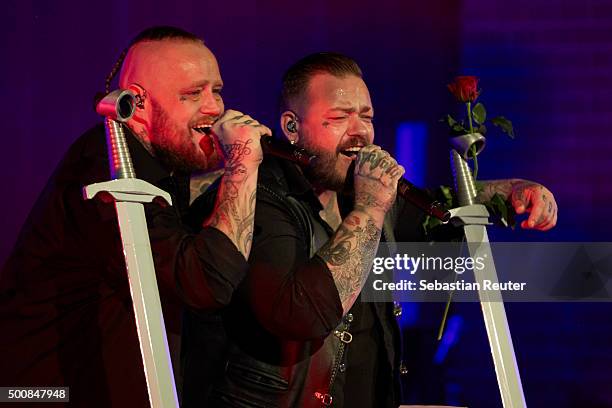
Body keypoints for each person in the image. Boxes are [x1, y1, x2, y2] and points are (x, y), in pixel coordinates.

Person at [184, 53, 558, 407]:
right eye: (340, 117)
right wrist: (371, 206)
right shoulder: (262, 198)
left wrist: (510, 191)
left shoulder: (360, 192)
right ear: (292, 127)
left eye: (366, 116)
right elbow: (299, 315)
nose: (361, 132)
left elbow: (439, 208)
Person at [0, 26, 270, 407]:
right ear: (137, 103)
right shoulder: (109, 170)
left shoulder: (163, 165)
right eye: (192, 94)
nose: (214, 107)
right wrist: (243, 161)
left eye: (217, 90)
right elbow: (206, 282)